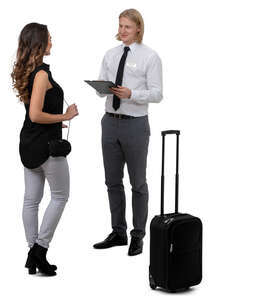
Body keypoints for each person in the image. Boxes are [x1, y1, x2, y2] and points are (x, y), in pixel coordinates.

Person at [93, 9, 163, 256]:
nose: (122, 31)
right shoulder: (110, 55)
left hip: (135, 124)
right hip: (109, 122)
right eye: (120, 26)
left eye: (127, 27)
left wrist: (132, 94)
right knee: (112, 181)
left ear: (138, 29)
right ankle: (118, 232)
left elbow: (157, 94)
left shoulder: (150, 57)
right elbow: (103, 87)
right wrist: (102, 88)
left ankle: (138, 235)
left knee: (138, 183)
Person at [11, 23, 79, 276]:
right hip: (47, 147)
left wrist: (58, 119)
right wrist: (66, 115)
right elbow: (36, 114)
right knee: (60, 196)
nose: (52, 42)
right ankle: (39, 250)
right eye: (49, 39)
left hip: (29, 143)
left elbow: (35, 115)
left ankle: (32, 255)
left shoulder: (28, 72)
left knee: (31, 200)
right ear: (40, 43)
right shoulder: (40, 74)